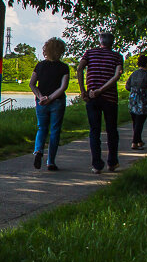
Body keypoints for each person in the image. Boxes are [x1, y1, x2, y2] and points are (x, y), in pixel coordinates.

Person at [77, 32, 124, 173]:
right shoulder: (118, 56)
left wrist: (83, 91)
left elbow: (79, 69)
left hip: (92, 97)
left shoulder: (89, 53)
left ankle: (96, 165)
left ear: (100, 42)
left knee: (94, 131)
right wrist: (102, 90)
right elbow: (117, 76)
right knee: (111, 130)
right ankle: (112, 162)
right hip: (110, 98)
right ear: (113, 43)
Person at [29, 37, 70, 171]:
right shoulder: (64, 68)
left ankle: (38, 150)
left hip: (41, 102)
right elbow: (63, 87)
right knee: (55, 131)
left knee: (42, 128)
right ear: (61, 51)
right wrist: (51, 98)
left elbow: (32, 84)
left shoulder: (40, 65)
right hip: (57, 102)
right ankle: (50, 161)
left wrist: (41, 97)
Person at [125, 54, 147, 150]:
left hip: (133, 99)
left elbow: (127, 86)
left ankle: (139, 141)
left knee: (135, 121)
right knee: (140, 122)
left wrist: (134, 91)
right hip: (143, 100)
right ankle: (134, 142)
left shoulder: (133, 74)